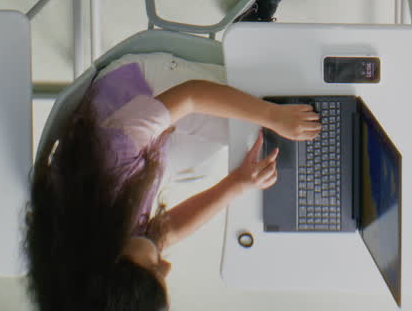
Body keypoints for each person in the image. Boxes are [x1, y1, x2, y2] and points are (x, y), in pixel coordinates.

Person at [26, 40, 321, 311]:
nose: (166, 266)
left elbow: (192, 95)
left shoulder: (111, 158)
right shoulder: (87, 249)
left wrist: (273, 116)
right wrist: (236, 184)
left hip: (142, 85)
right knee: (242, 145)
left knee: (265, 124)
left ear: (113, 261)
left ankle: (252, 30)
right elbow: (166, 233)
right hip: (144, 144)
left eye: (154, 267)